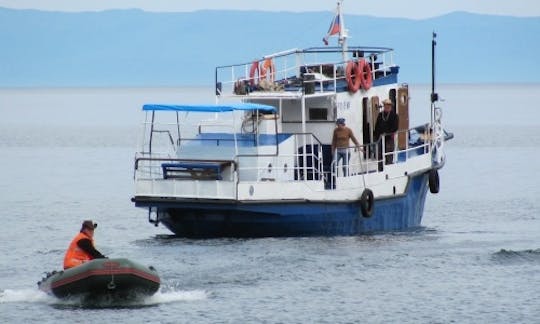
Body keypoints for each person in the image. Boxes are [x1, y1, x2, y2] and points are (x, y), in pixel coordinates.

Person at [374, 98, 399, 167]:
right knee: (380, 155)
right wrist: (376, 136)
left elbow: (395, 128)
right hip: (380, 139)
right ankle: (380, 169)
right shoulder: (380, 115)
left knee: (389, 154)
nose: (387, 106)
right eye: (385, 105)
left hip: (389, 139)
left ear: (391, 106)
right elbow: (376, 126)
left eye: (388, 105)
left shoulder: (394, 115)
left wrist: (387, 133)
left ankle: (389, 168)